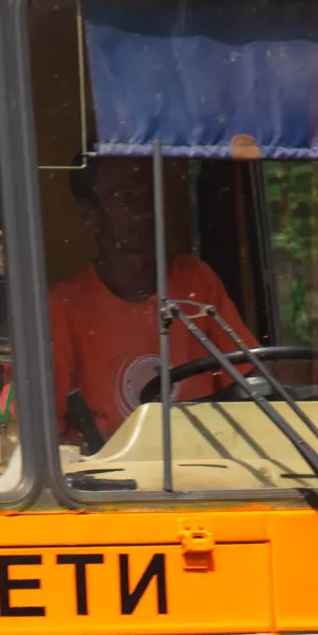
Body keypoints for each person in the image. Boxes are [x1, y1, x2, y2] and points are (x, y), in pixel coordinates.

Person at [47, 156, 253, 444]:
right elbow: (43, 435)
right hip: (115, 483)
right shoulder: (62, 305)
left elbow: (251, 375)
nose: (146, 211)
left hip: (206, 474)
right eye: (126, 197)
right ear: (90, 213)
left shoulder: (194, 280)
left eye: (150, 195)